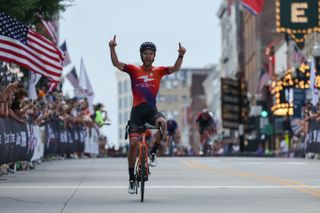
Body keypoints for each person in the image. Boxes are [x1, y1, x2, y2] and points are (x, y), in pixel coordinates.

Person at [108, 35, 186, 194]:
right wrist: (112, 48)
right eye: (145, 53)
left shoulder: (159, 71)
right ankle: (131, 179)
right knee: (134, 145)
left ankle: (152, 153)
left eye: (151, 53)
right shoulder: (133, 69)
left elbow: (175, 68)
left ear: (154, 56)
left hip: (151, 111)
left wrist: (181, 55)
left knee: (163, 124)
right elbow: (116, 63)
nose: (148, 56)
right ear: (141, 55)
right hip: (136, 112)